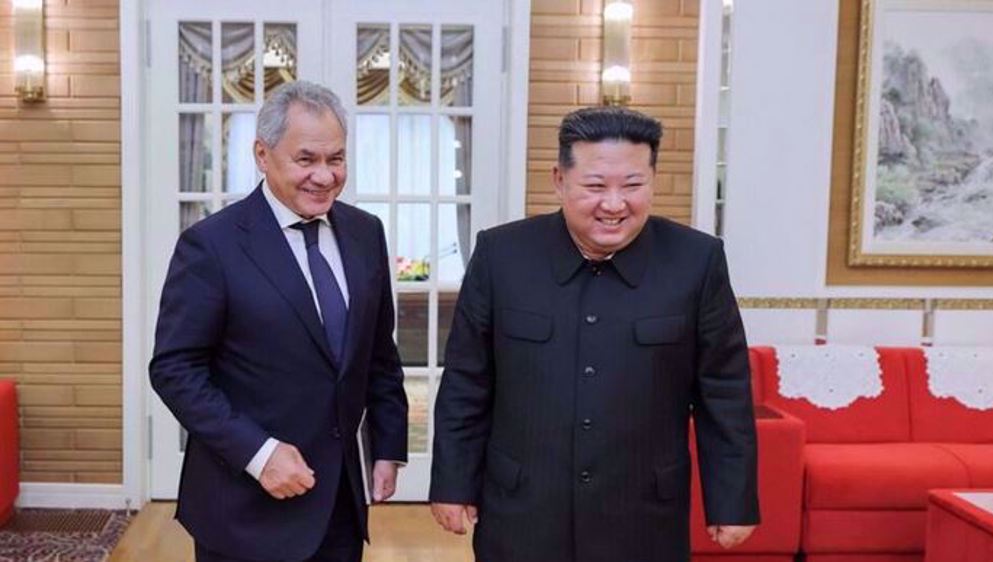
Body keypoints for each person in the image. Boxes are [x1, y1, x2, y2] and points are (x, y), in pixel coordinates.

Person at [429, 106, 759, 562]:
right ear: (559, 180)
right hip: (523, 509)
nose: (614, 204)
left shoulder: (696, 261)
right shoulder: (501, 255)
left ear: (653, 180)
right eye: (595, 186)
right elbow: (468, 379)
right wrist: (452, 482)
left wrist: (732, 501)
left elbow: (724, 392)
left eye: (633, 185)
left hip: (644, 516)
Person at [149, 80, 407, 562]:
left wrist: (388, 444)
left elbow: (377, 353)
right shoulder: (212, 245)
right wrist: (259, 453)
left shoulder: (364, 233)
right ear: (262, 155)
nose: (325, 176)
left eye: (336, 159)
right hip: (244, 508)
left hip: (339, 506)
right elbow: (174, 370)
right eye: (306, 160)